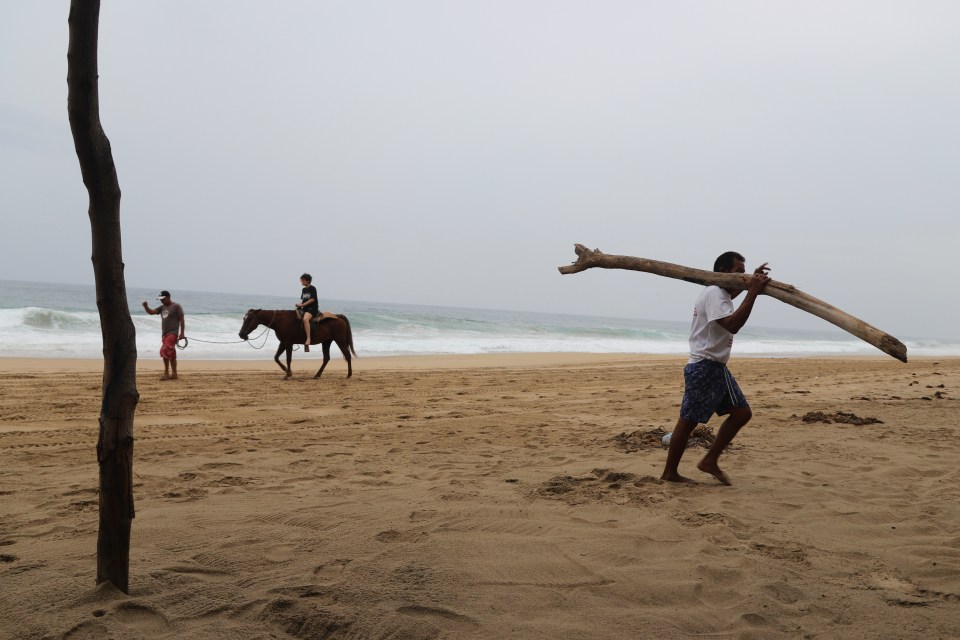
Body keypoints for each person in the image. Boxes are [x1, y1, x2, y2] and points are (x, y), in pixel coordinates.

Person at [661, 252, 770, 486]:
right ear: (722, 271)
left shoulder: (720, 294)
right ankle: (670, 473)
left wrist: (752, 283)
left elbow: (729, 297)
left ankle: (710, 460)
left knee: (742, 413)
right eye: (738, 271)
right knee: (688, 422)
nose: (741, 275)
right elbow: (732, 325)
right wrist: (752, 291)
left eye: (744, 271)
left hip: (717, 367)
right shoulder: (713, 293)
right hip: (704, 366)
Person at [142, 290, 186, 381]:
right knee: (171, 354)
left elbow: (182, 320)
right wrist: (146, 307)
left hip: (173, 333)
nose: (161, 301)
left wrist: (182, 333)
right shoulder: (162, 307)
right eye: (160, 299)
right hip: (164, 334)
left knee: (164, 350)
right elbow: (151, 312)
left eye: (163, 299)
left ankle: (166, 373)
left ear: (168, 297)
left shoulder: (176, 307)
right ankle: (174, 374)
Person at [295, 273, 319, 352]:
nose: (301, 282)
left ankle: (308, 339)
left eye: (302, 281)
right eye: (301, 280)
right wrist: (300, 305)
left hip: (312, 309)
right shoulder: (304, 289)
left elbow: (312, 299)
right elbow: (304, 299)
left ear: (308, 281)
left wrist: (302, 304)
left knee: (305, 319)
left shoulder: (312, 288)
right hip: (305, 308)